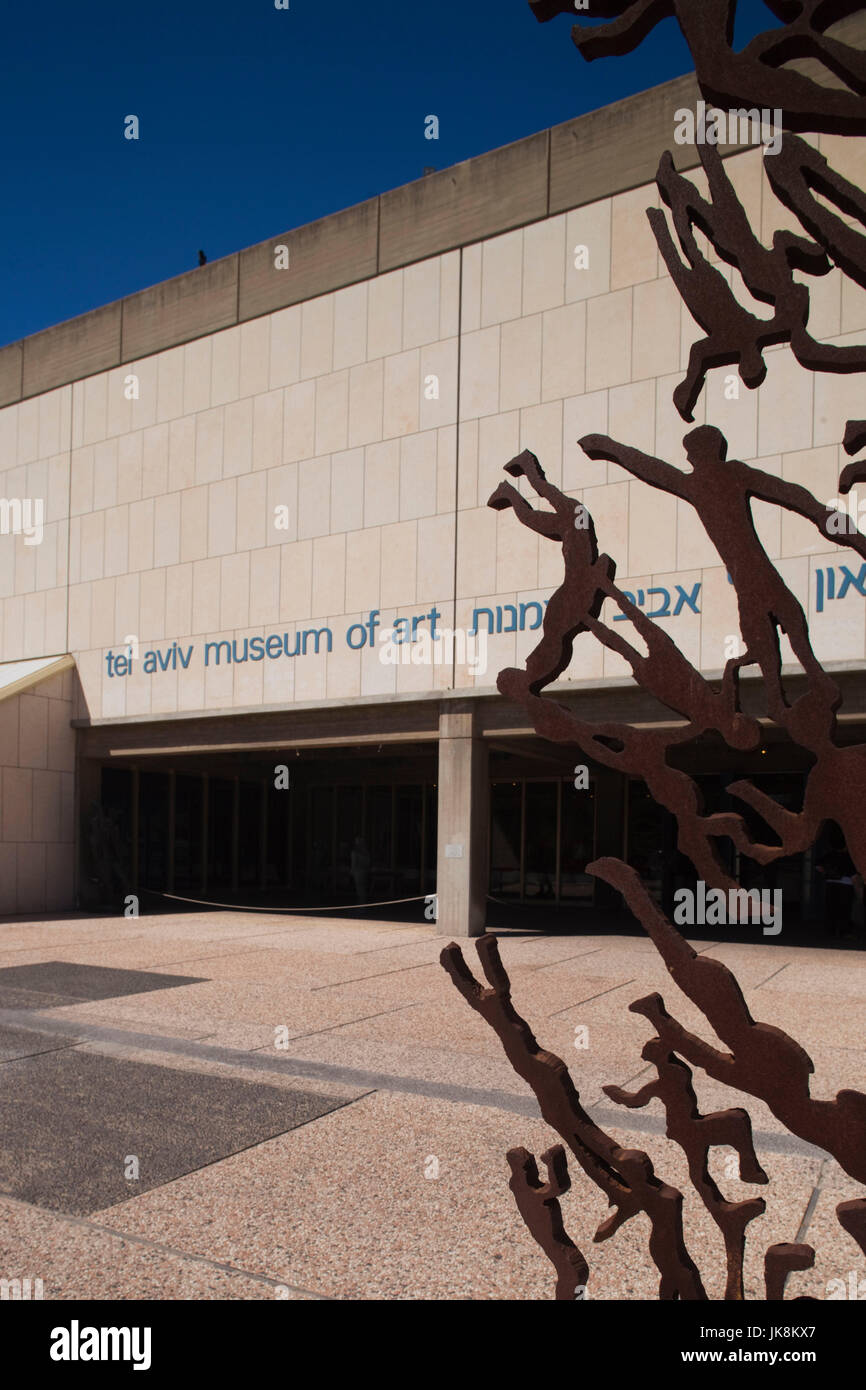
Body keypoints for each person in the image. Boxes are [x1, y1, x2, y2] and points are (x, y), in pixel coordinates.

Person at [817, 845, 858, 939]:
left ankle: (830, 930)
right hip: (846, 884)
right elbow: (854, 875)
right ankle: (844, 931)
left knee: (831, 907)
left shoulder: (829, 855)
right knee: (844, 909)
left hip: (831, 882)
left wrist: (826, 873)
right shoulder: (848, 857)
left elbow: (818, 865)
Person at [350, 837, 371, 905]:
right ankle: (362, 904)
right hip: (364, 871)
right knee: (363, 888)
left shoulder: (355, 852)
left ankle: (361, 904)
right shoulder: (366, 852)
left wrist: (352, 871)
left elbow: (354, 863)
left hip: (358, 872)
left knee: (359, 888)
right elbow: (368, 862)